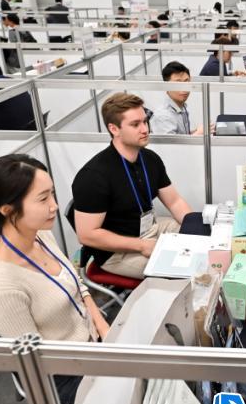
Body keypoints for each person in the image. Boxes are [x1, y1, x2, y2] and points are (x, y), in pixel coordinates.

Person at [0, 154, 110, 404]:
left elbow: (77, 283)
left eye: (52, 194)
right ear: (7, 209)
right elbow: (37, 364)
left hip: (90, 342)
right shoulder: (2, 288)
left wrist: (103, 327)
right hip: (63, 374)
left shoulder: (40, 234)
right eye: (43, 199)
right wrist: (102, 366)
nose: (55, 206)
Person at [71, 93, 192, 279]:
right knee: (181, 269)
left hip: (150, 229)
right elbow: (87, 235)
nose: (145, 129)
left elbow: (175, 202)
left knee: (197, 238)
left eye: (145, 121)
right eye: (135, 125)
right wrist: (141, 245)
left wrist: (195, 228)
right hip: (118, 252)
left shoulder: (150, 159)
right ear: (114, 129)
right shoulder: (93, 176)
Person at [150, 61, 211, 135]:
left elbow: (182, 136)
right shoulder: (163, 116)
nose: (184, 88)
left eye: (186, 82)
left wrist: (196, 131)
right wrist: (198, 134)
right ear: (166, 86)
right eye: (178, 83)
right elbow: (170, 143)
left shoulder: (181, 106)